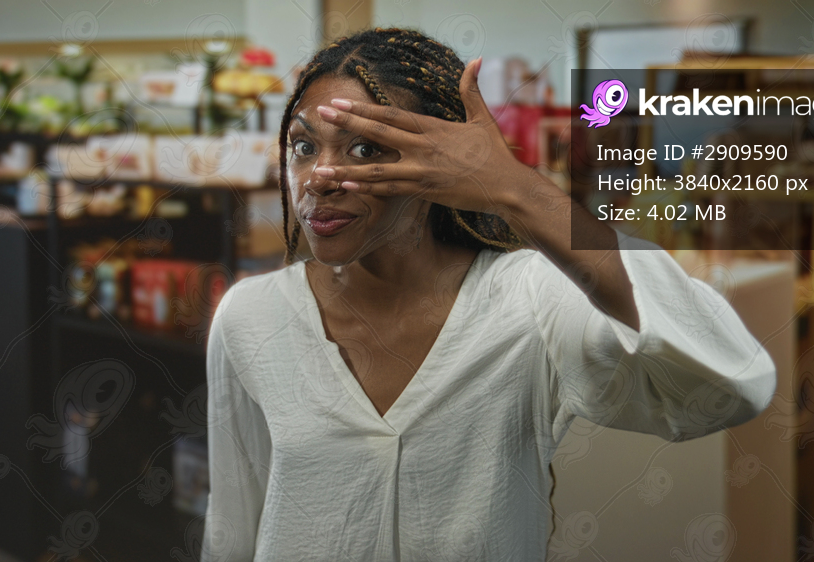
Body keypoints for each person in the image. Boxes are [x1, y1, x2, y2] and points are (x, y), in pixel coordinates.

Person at [202, 27, 776, 561]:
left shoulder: (527, 299)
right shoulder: (252, 317)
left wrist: (514, 188)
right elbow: (233, 528)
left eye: (365, 149)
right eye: (303, 146)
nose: (319, 177)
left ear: (440, 164)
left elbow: (728, 380)